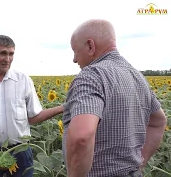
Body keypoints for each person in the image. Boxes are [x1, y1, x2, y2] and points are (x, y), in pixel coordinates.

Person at [62, 19, 167, 177]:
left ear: (90, 46)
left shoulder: (91, 76)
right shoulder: (137, 76)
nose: (74, 59)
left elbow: (81, 137)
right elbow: (159, 121)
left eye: (75, 51)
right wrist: (139, 164)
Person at [0, 35, 64, 177]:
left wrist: (62, 108)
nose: (8, 59)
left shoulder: (23, 81)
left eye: (11, 54)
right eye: (3, 53)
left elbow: (34, 117)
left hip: (20, 151)